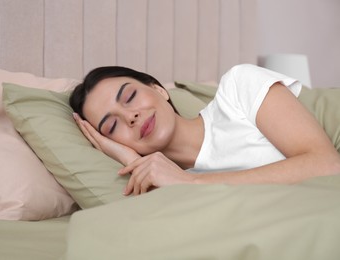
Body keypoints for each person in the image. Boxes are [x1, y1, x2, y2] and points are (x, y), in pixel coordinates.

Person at [70, 64, 340, 196]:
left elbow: (327, 165)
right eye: (112, 125)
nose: (131, 117)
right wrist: (132, 161)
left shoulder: (237, 87)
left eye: (129, 97)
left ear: (158, 89)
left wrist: (191, 182)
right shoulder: (167, 184)